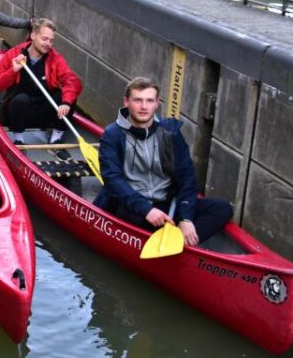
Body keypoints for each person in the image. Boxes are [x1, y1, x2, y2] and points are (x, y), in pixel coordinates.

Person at [94, 78, 233, 245]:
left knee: (222, 208)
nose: (144, 107)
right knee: (137, 220)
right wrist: (147, 209)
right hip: (130, 205)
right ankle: (170, 244)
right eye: (138, 100)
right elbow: (112, 179)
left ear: (157, 103)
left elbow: (187, 176)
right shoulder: (113, 134)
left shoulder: (170, 132)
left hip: (166, 203)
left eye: (149, 101)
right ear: (126, 102)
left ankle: (180, 244)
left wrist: (185, 218)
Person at [0, 18, 83, 152]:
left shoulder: (54, 58)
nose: (48, 44)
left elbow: (72, 81)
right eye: (44, 39)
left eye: (51, 40)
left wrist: (66, 103)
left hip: (42, 112)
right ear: (33, 36)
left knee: (66, 96)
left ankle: (55, 140)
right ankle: (18, 139)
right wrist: (13, 70)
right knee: (21, 100)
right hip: (18, 112)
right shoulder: (14, 54)